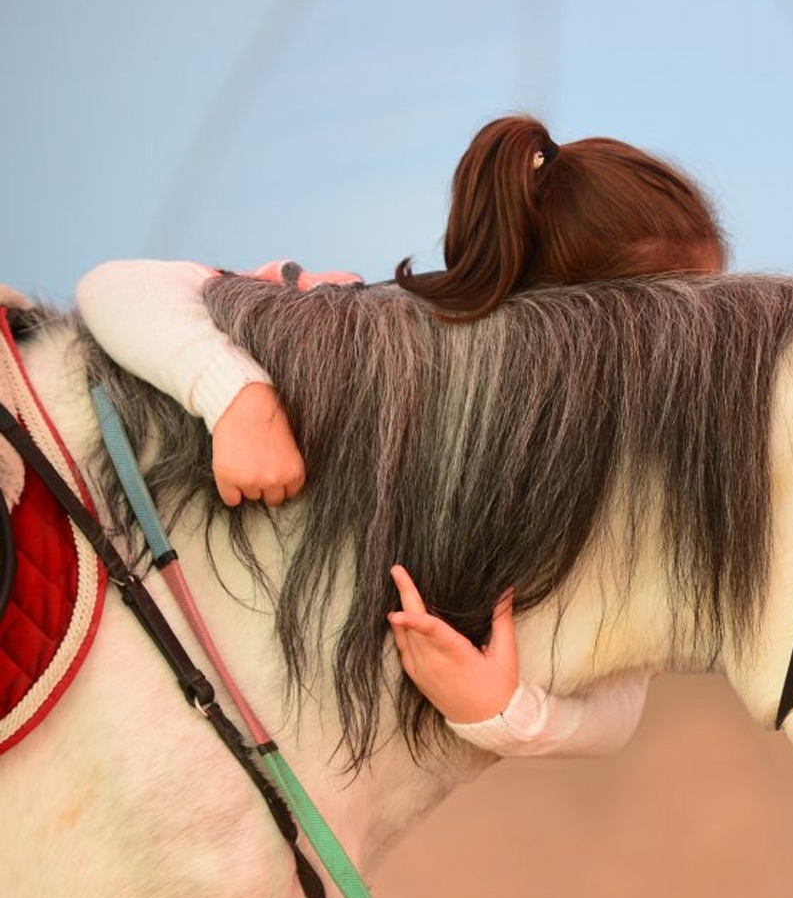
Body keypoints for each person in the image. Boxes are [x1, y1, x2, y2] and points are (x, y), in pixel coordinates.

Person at [77, 115, 726, 757]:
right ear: (572, 323)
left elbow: (625, 694)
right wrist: (236, 396)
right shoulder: (374, 341)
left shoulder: (635, 471)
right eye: (679, 333)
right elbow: (119, 286)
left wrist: (506, 714)